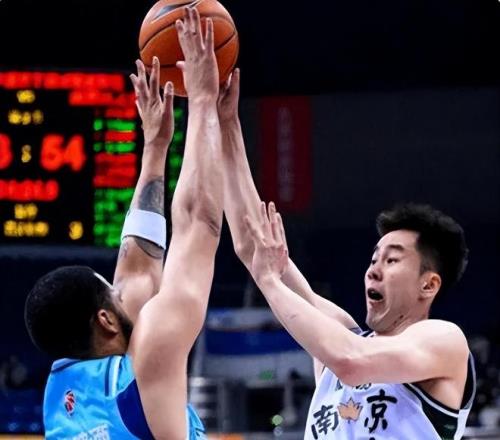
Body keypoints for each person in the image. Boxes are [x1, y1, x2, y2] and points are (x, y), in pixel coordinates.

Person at [219, 72, 476, 439]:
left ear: (428, 284)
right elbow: (252, 247)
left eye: (391, 260)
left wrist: (269, 281)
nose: (373, 270)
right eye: (373, 259)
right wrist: (227, 125)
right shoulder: (341, 336)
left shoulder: (443, 340)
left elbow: (351, 362)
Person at [24, 8, 223, 440]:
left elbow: (136, 271)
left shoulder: (61, 388)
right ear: (106, 320)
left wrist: (155, 148)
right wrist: (204, 100)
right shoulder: (148, 360)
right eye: (113, 293)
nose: (123, 285)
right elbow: (199, 223)